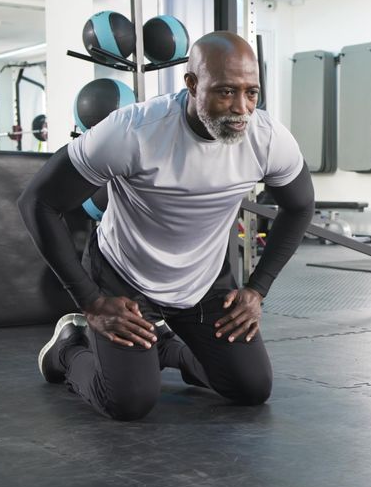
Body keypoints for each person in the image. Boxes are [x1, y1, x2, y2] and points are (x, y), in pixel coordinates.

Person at [19, 32, 314, 421]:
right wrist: (90, 301)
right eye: (226, 92)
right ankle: (69, 348)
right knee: (129, 402)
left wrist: (257, 289)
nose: (241, 109)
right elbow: (38, 202)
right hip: (124, 276)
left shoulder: (268, 138)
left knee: (251, 389)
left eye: (251, 93)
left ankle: (162, 346)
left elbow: (300, 205)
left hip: (204, 279)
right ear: (191, 84)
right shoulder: (132, 131)